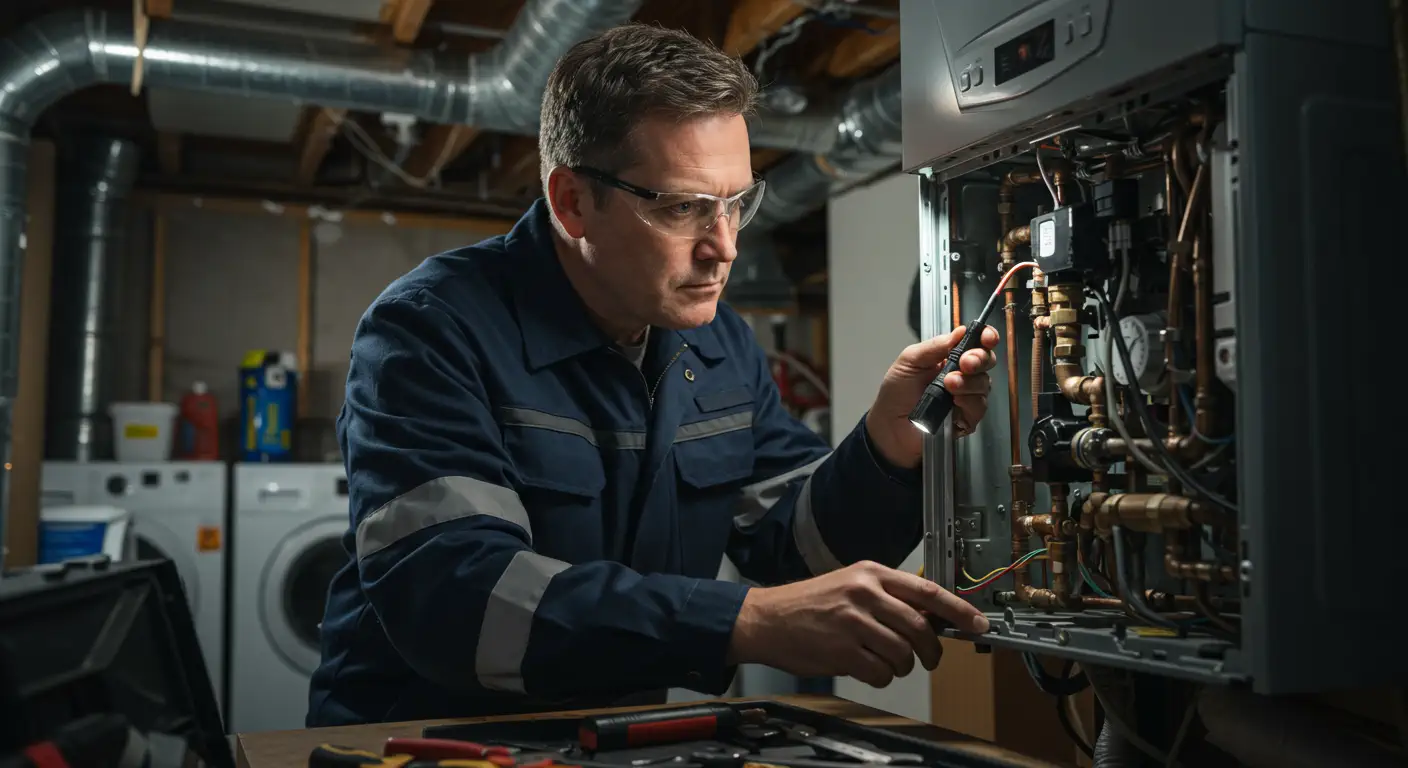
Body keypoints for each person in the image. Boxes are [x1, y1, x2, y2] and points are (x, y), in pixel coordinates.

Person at [307, 22, 999, 727]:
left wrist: (887, 447)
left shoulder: (718, 342)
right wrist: (739, 621)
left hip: (614, 738)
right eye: (683, 208)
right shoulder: (430, 331)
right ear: (572, 200)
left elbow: (795, 548)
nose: (723, 247)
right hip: (419, 740)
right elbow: (457, 602)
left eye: (737, 203)